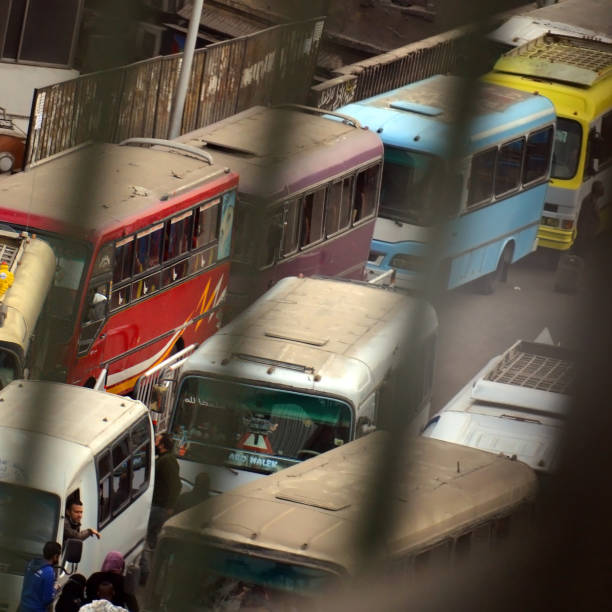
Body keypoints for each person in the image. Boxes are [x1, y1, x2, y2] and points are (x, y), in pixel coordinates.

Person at [146, 433, 181, 549]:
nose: (154, 443)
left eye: (156, 441)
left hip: (159, 506)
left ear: (162, 445)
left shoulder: (167, 461)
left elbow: (175, 485)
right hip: (156, 505)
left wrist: (170, 506)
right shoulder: (162, 459)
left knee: (150, 537)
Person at [19, 541, 61, 612]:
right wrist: (55, 589)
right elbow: (47, 600)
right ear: (55, 556)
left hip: (23, 607)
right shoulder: (49, 571)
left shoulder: (31, 563)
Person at [574, 180, 605, 258]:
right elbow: (585, 219)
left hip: (589, 232)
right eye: (602, 188)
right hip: (586, 234)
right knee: (582, 252)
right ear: (597, 191)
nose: (603, 190)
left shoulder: (593, 200)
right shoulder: (589, 201)